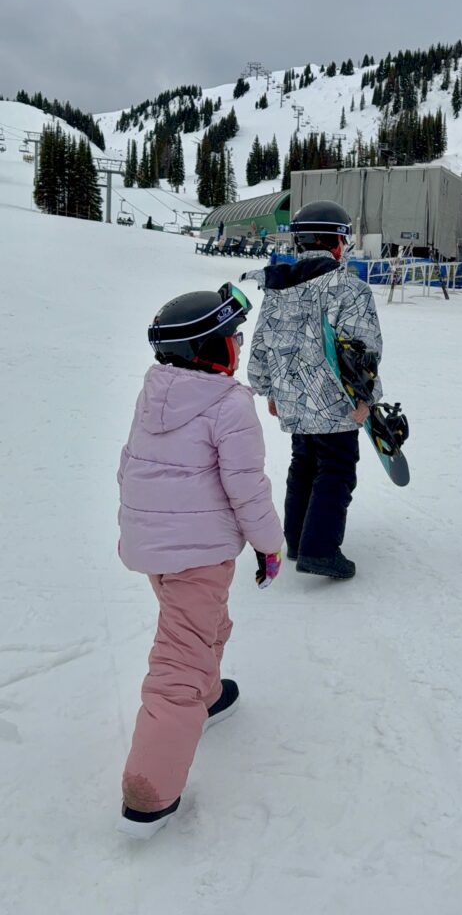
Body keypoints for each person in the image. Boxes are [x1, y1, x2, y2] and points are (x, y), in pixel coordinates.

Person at [116, 283, 283, 838]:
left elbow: (131, 463)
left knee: (205, 625)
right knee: (178, 664)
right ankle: (150, 792)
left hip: (155, 546)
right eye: (232, 336)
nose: (238, 343)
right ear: (211, 350)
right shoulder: (228, 404)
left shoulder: (157, 390)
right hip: (198, 551)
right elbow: (247, 488)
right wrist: (269, 545)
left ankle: (207, 695)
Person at [243, 200, 382, 581]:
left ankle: (297, 536)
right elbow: (361, 351)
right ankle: (319, 549)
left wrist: (268, 389)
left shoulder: (279, 286)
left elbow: (261, 346)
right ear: (337, 242)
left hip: (293, 399)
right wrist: (365, 398)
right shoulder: (349, 288)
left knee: (304, 463)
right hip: (334, 402)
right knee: (335, 469)